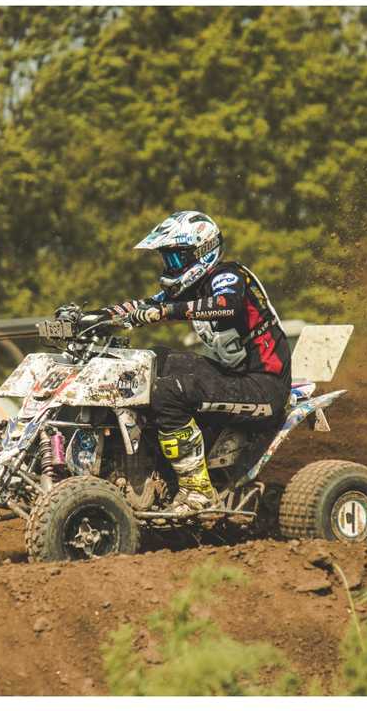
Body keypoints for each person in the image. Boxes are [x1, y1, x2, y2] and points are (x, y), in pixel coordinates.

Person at [92, 211, 291, 514]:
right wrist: (94, 317)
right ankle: (138, 466)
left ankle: (198, 491)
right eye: (167, 259)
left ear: (202, 252)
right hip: (235, 378)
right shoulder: (189, 289)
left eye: (175, 259)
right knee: (151, 360)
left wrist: (165, 312)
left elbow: (227, 305)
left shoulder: (229, 275)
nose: (169, 267)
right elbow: (141, 305)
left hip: (265, 386)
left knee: (168, 391)